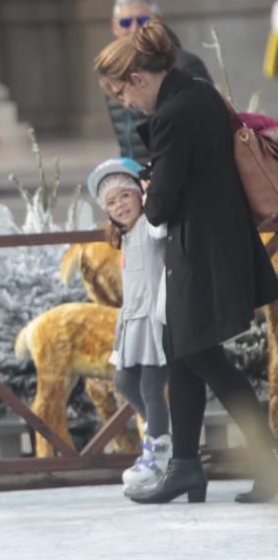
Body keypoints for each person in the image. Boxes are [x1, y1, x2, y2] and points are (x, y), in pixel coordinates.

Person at [94, 21, 278, 504]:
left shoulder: (172, 115)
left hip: (198, 253)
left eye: (121, 94)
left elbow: (160, 207)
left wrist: (150, 189)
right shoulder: (199, 91)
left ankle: (262, 464)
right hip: (220, 246)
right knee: (185, 355)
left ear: (138, 78)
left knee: (204, 360)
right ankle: (185, 468)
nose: (125, 105)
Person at [87, 157, 171, 489]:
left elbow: (161, 226)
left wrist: (154, 196)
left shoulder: (149, 227)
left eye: (125, 195)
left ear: (140, 196)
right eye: (111, 201)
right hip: (132, 322)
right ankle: (160, 433)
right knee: (123, 380)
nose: (120, 205)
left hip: (154, 319)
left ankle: (160, 448)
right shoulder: (124, 236)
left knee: (151, 386)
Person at [105, 0, 212, 166]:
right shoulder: (113, 71)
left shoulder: (184, 63)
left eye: (142, 21)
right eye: (125, 22)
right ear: (114, 27)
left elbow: (203, 124)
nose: (134, 29)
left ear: (158, 23)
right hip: (135, 173)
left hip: (172, 169)